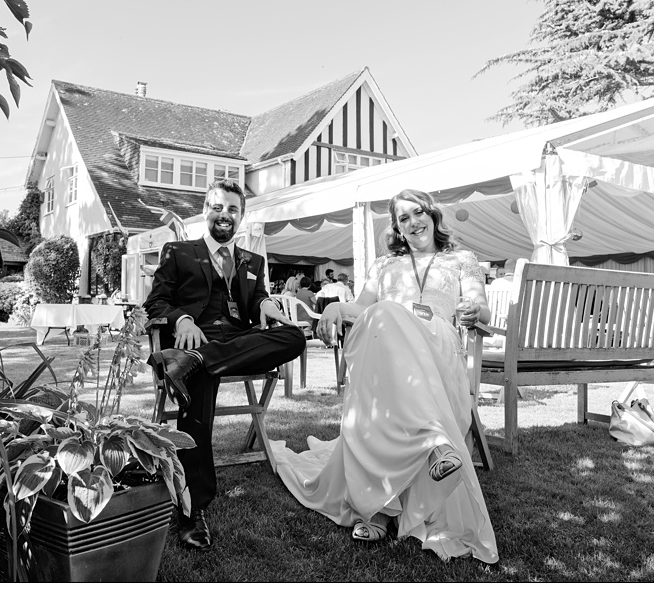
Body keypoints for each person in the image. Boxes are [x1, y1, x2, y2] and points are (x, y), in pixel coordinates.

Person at [271, 189, 498, 564]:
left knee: (386, 316)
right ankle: (435, 443)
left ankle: (375, 508)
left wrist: (473, 308)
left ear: (433, 215)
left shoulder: (462, 259)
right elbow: (362, 307)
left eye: (418, 213)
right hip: (389, 357)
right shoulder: (383, 265)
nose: (413, 222)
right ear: (397, 228)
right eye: (403, 218)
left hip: (438, 353)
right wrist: (336, 308)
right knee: (383, 315)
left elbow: (483, 311)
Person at [144, 180, 307, 551]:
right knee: (199, 376)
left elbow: (257, 301)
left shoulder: (253, 261)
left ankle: (194, 362)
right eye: (218, 207)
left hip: (234, 341)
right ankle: (193, 507)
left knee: (293, 336)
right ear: (205, 210)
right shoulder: (178, 251)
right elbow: (155, 303)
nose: (224, 215)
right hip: (194, 336)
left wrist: (266, 306)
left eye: (233, 209)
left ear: (242, 217)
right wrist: (181, 320)